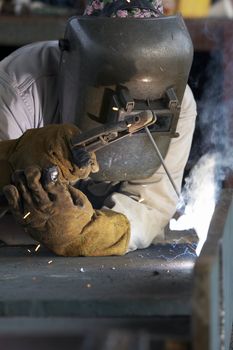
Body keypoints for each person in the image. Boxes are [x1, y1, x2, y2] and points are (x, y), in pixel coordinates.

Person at [0, 0, 197, 256]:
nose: (134, 86)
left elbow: (151, 206)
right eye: (116, 71)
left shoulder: (176, 99)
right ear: (78, 58)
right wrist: (18, 157)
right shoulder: (19, 84)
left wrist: (94, 233)